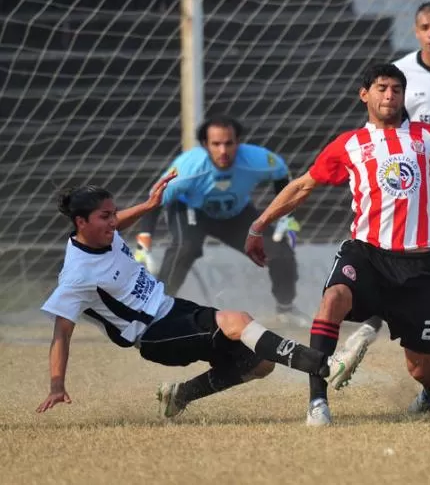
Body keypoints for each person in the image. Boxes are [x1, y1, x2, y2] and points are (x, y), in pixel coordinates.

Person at [244, 63, 430, 426]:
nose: (390, 96)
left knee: (419, 367)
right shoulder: (349, 145)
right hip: (366, 253)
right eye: (382, 88)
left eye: (397, 90)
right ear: (365, 93)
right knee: (332, 300)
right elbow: (301, 186)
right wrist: (260, 224)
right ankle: (317, 402)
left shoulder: (429, 137)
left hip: (418, 266)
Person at [37, 173, 340, 419]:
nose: (114, 222)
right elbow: (61, 335)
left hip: (173, 309)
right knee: (237, 321)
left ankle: (179, 396)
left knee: (259, 363)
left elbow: (120, 225)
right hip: (154, 334)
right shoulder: (76, 276)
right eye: (106, 216)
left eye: (114, 214)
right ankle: (324, 364)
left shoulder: (102, 234)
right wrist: (56, 385)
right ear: (81, 222)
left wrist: (147, 205)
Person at [337, 2, 430, 358]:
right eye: (425, 27)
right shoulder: (402, 72)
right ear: (416, 31)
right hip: (412, 174)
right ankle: (372, 323)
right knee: (393, 252)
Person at [136, 116, 308, 325]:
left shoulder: (258, 160)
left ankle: (286, 310)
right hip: (191, 210)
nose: (223, 151)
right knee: (185, 248)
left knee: (280, 251)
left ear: (238, 142)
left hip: (235, 214)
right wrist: (144, 243)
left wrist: (287, 218)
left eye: (229, 143)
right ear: (205, 145)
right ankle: (155, 311)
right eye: (216, 144)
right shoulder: (187, 168)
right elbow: (154, 199)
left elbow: (282, 176)